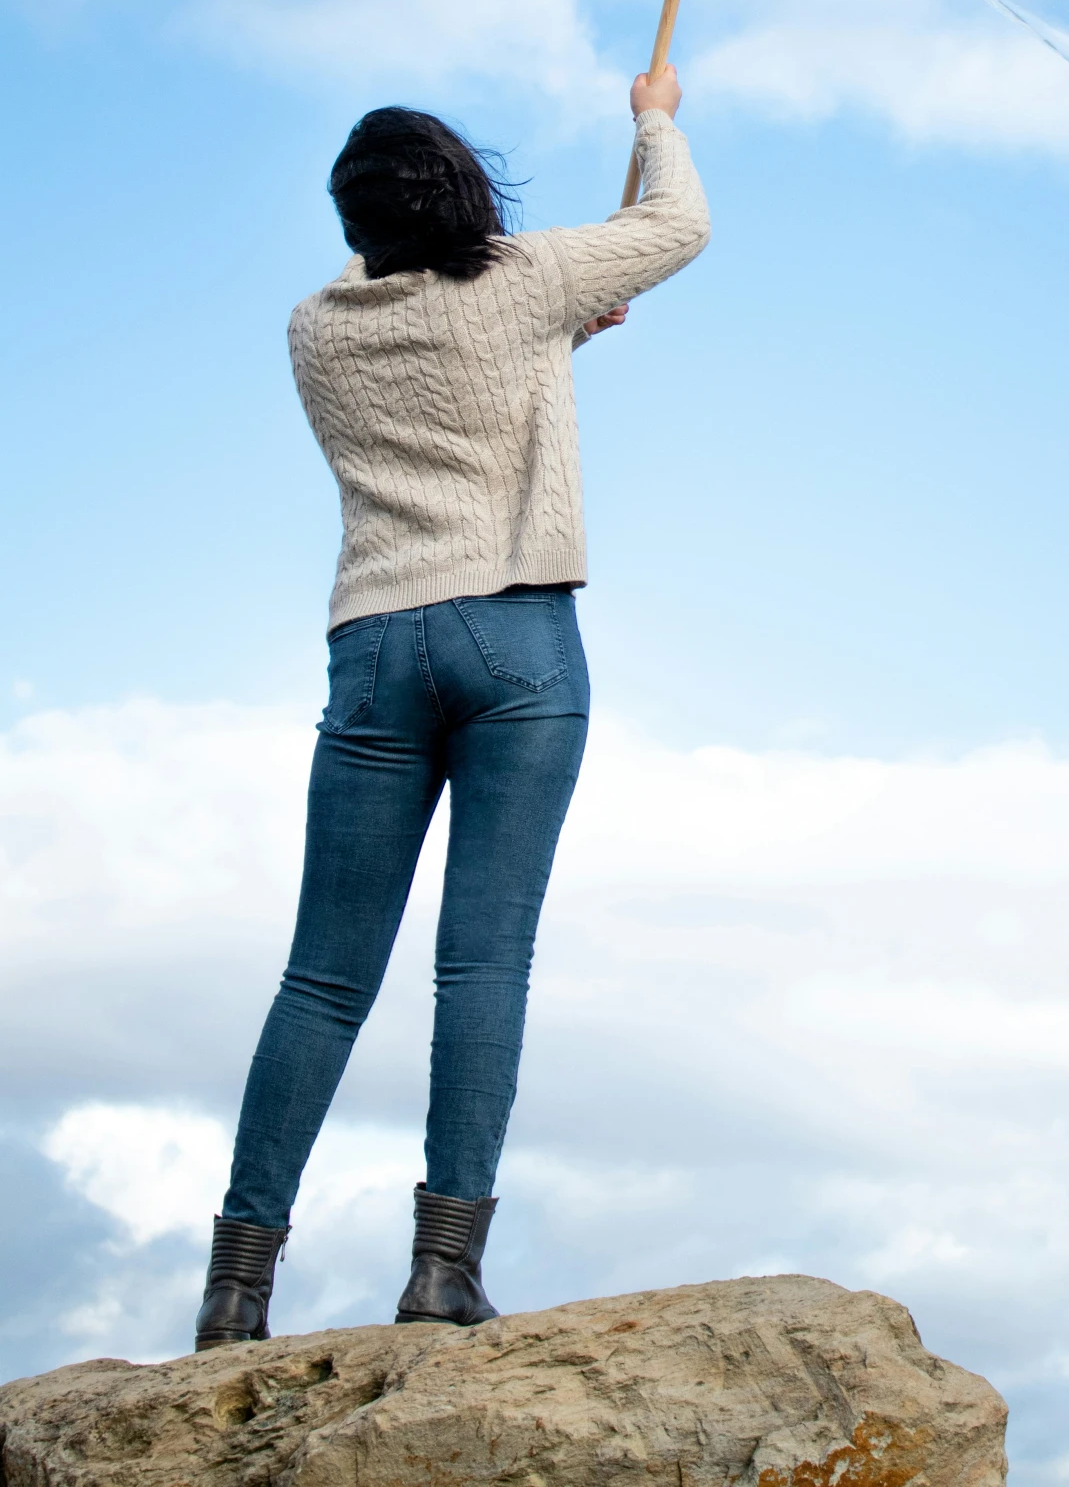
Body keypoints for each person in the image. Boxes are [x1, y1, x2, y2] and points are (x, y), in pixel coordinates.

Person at [193, 65, 708, 1349]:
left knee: (320, 980)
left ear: (353, 219)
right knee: (481, 961)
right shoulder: (524, 283)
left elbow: (435, 361)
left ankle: (236, 1285)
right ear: (467, 193)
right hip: (514, 629)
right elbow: (679, 225)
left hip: (374, 639)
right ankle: (441, 1271)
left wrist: (561, 336)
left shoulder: (316, 326)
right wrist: (656, 117)